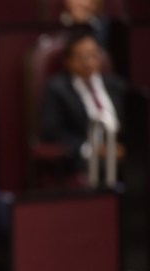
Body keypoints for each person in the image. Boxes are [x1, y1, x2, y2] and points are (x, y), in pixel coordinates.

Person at [40, 27, 126, 175]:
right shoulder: (57, 90)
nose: (88, 63)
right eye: (81, 57)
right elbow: (53, 133)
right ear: (68, 61)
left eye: (93, 56)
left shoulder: (117, 86)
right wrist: (93, 149)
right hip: (87, 158)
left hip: (120, 149)